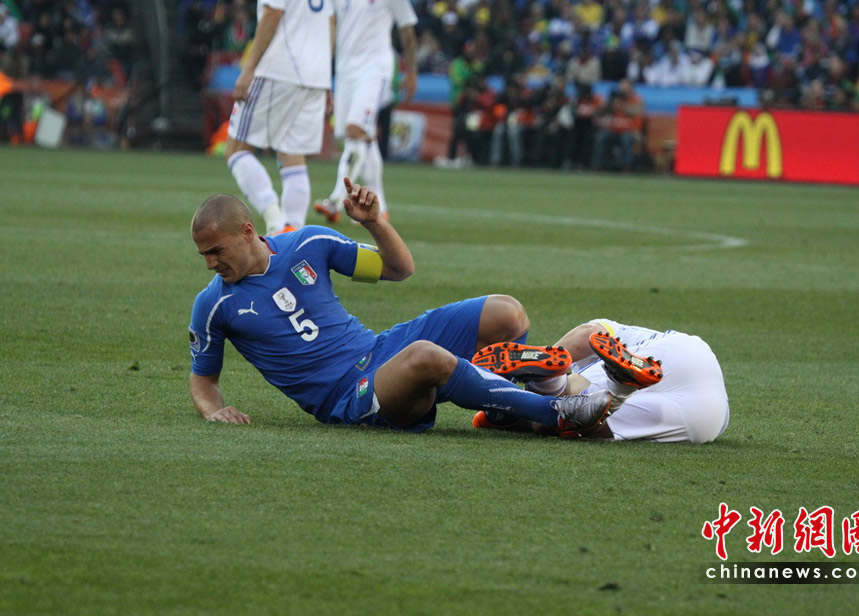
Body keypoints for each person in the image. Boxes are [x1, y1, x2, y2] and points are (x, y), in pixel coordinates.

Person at [188, 178, 615, 435]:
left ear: (247, 232)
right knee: (426, 356)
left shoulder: (309, 243)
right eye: (203, 254)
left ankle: (503, 413)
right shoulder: (214, 304)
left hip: (380, 351)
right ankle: (555, 413)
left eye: (215, 250)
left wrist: (374, 223)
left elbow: (398, 269)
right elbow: (203, 380)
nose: (210, 263)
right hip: (347, 398)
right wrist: (213, 409)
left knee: (507, 313)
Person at [471, 319, 729, 444]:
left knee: (564, 413)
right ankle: (553, 382)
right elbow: (589, 334)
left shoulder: (615, 345)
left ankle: (548, 381)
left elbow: (587, 335)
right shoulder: (625, 337)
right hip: (700, 391)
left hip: (698, 415)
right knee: (575, 411)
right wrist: (556, 352)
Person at [224, 0, 334, 236]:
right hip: (316, 74)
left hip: (280, 70)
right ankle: (294, 234)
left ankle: (276, 223)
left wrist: (249, 68)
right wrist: (325, 77)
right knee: (292, 154)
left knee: (236, 149)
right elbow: (330, 22)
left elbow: (273, 13)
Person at [313, 0, 418, 224]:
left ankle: (335, 201)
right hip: (344, 71)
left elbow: (407, 27)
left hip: (375, 69)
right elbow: (330, 24)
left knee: (356, 130)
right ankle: (381, 209)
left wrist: (411, 72)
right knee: (361, 138)